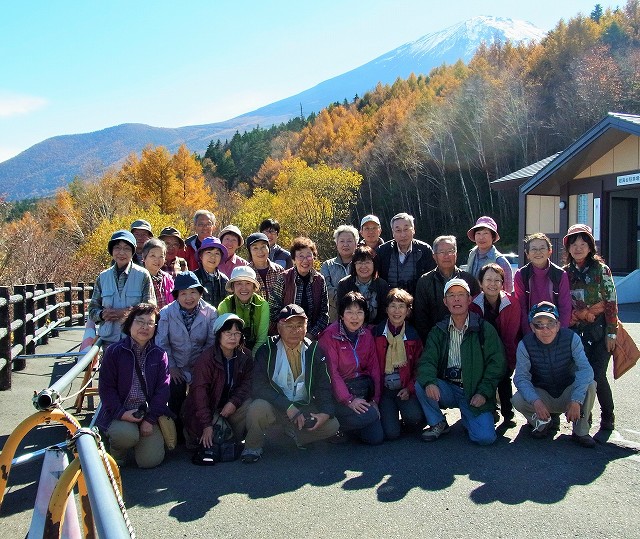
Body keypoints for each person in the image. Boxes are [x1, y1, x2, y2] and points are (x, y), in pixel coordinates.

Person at [242, 304, 340, 463]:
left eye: (300, 325)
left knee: (332, 425)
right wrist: (287, 406)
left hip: (303, 406)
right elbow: (259, 387)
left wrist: (325, 413)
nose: (295, 330)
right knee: (257, 408)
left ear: (306, 327)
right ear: (279, 328)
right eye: (289, 326)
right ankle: (253, 446)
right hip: (276, 406)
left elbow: (323, 386)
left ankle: (288, 437)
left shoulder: (314, 350)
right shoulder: (267, 349)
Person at [415, 278, 506, 445]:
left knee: (485, 438)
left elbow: (497, 365)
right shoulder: (438, 331)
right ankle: (438, 422)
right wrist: (429, 382)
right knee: (421, 384)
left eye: (461, 295)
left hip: (473, 391)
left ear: (469, 299)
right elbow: (427, 361)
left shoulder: (484, 329)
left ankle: (474, 415)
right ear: (445, 301)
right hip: (448, 388)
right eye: (451, 295)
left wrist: (483, 392)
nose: (456, 299)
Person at [512, 301, 597, 448]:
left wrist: (576, 399)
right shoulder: (524, 345)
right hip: (543, 394)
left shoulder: (572, 338)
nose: (545, 329)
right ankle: (543, 423)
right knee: (517, 399)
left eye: (550, 323)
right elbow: (521, 377)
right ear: (532, 327)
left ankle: (581, 431)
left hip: (568, 392)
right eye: (539, 324)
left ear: (558, 325)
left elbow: (585, 370)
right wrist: (535, 401)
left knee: (590, 385)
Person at [96, 303, 171, 468]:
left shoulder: (159, 355)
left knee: (149, 461)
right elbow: (106, 389)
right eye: (140, 321)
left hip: (147, 414)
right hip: (120, 412)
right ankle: (117, 453)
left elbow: (163, 390)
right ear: (130, 323)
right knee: (126, 436)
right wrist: (121, 413)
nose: (145, 327)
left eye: (150, 323)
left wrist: (150, 419)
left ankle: (139, 441)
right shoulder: (114, 352)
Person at [563, 223, 619, 431]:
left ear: (590, 247)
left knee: (597, 375)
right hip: (576, 331)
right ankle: (585, 416)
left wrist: (611, 333)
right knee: (580, 374)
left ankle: (608, 414)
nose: (578, 248)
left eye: (583, 243)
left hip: (600, 329)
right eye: (574, 244)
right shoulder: (565, 273)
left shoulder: (601, 270)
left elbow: (611, 302)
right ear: (568, 248)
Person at [156, 271, 217, 434]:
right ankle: (177, 433)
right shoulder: (166, 313)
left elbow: (211, 342)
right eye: (183, 293)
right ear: (176, 295)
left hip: (201, 364)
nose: (188, 298)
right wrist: (172, 367)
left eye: (193, 292)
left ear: (200, 293)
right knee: (176, 391)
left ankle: (198, 430)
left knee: (202, 394)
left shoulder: (210, 312)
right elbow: (162, 343)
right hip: (176, 364)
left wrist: (200, 367)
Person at [319, 292, 384, 445]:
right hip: (338, 395)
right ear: (341, 315)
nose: (355, 317)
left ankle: (349, 429)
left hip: (362, 390)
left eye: (359, 312)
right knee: (371, 416)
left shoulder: (366, 335)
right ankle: (334, 425)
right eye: (349, 312)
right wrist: (349, 400)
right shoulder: (330, 336)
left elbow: (374, 368)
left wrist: (375, 400)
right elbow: (332, 373)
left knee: (375, 438)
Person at [182, 313, 253, 451]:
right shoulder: (206, 359)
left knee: (250, 404)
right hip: (209, 408)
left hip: (230, 406)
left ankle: (234, 439)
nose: (233, 337)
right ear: (218, 335)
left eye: (237, 333)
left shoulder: (246, 356)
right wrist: (206, 425)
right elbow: (199, 393)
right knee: (212, 441)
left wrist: (234, 402)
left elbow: (248, 383)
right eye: (228, 333)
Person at [469, 263, 520, 426]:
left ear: (503, 283)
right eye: (488, 280)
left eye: (497, 280)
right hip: (482, 351)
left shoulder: (512, 303)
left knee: (504, 377)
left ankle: (508, 413)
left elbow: (511, 335)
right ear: (480, 282)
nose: (493, 284)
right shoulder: (473, 304)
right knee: (484, 378)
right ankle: (491, 409)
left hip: (505, 348)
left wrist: (509, 360)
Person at [372, 289, 425, 440]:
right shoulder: (376, 333)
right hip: (384, 391)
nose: (397, 311)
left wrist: (409, 389)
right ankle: (392, 418)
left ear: (408, 311)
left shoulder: (413, 335)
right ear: (386, 309)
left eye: (401, 306)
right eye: (393, 306)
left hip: (404, 388)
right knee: (391, 433)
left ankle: (408, 418)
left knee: (415, 418)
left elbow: (419, 368)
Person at [88, 230, 156, 347]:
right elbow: (92, 310)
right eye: (117, 248)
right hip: (108, 342)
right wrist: (102, 314)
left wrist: (128, 313)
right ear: (111, 251)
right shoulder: (103, 277)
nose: (121, 252)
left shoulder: (142, 275)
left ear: (133, 252)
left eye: (126, 249)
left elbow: (151, 308)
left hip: (135, 341)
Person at [414, 235, 480, 342]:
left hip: (466, 338)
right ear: (434, 256)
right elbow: (421, 318)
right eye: (441, 252)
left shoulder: (469, 280)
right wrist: (431, 342)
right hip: (435, 339)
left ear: (456, 255)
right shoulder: (424, 282)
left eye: (450, 251)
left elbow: (477, 312)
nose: (446, 256)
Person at [269, 237, 329, 339]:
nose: (305, 260)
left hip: (311, 336)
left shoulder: (319, 280)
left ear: (314, 258)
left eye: (309, 256)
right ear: (293, 259)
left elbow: (324, 314)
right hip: (285, 335)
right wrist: (288, 331)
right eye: (301, 256)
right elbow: (273, 311)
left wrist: (310, 335)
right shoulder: (284, 278)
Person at [514, 232, 572, 335]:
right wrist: (528, 333)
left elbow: (565, 307)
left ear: (550, 251)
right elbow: (521, 307)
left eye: (542, 248)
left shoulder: (560, 275)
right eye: (534, 249)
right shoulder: (521, 275)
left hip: (554, 327)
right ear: (527, 254)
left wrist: (560, 333)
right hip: (530, 327)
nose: (538, 252)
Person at [376, 212, 436, 296]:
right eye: (398, 230)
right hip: (390, 301)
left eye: (406, 229)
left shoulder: (425, 250)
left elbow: (431, 280)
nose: (403, 235)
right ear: (393, 233)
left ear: (413, 230)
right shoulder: (382, 251)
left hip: (418, 299)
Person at [217, 266, 270, 355]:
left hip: (257, 350)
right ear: (233, 287)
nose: (244, 288)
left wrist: (251, 358)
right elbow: (224, 338)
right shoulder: (224, 306)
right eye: (239, 283)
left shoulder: (263, 305)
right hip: (230, 351)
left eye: (248, 283)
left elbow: (262, 339)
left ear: (254, 287)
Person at [336, 245, 390, 325]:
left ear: (374, 264)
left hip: (375, 328)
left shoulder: (382, 285)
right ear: (354, 265)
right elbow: (341, 312)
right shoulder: (344, 284)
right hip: (350, 327)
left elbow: (384, 314)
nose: (363, 266)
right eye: (360, 263)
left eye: (367, 262)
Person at [466, 216, 513, 293]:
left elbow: (507, 291)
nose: (481, 237)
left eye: (485, 233)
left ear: (493, 237)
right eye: (478, 233)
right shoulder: (472, 254)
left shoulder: (500, 261)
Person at [321, 225, 359, 322]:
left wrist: (355, 304)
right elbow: (326, 288)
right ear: (336, 244)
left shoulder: (361, 264)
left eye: (349, 241)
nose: (345, 244)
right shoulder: (327, 265)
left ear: (356, 243)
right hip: (334, 317)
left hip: (358, 315)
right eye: (342, 241)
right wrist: (345, 303)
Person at [192, 236, 230, 307]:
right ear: (201, 256)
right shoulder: (193, 278)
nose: (213, 257)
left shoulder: (224, 280)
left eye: (217, 253)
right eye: (209, 252)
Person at [246, 232, 284, 301]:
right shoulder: (246, 272)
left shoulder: (279, 270)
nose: (260, 251)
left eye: (263, 247)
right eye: (255, 248)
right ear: (250, 251)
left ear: (268, 248)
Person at [142, 237, 174, 310]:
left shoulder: (168, 279)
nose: (157, 260)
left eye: (161, 256)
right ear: (144, 257)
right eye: (152, 256)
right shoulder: (138, 277)